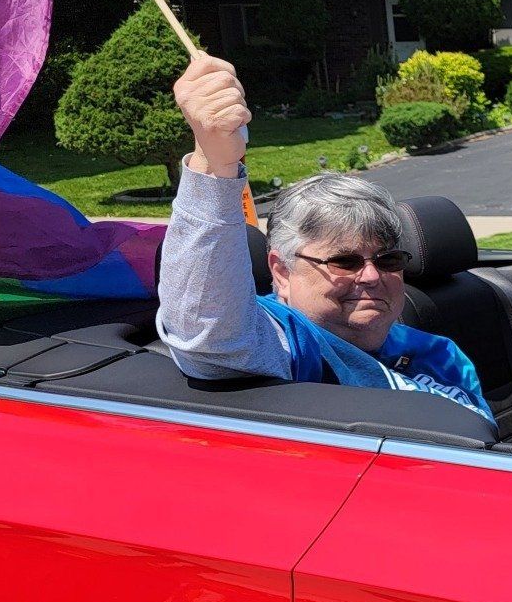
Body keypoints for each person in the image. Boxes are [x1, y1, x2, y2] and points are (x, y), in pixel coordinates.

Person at [157, 54, 492, 422]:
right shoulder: (289, 340)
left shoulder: (442, 354)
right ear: (282, 272)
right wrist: (214, 159)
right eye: (344, 261)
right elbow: (209, 331)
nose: (370, 276)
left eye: (387, 259)